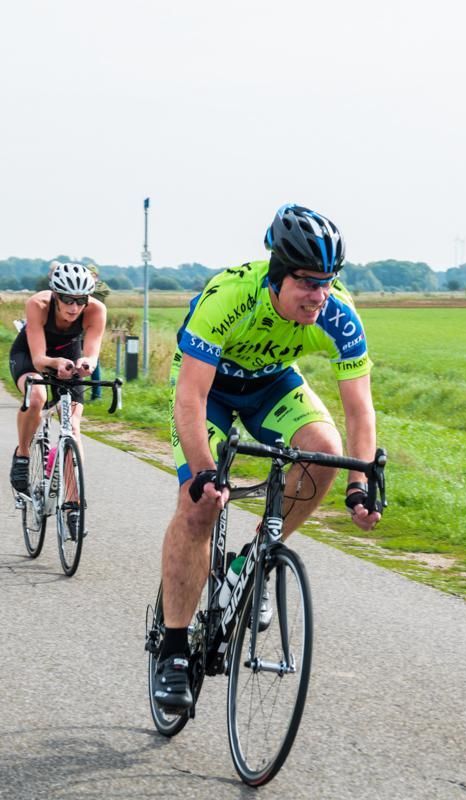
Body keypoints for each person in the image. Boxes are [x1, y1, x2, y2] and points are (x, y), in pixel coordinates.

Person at [154, 203, 382, 712]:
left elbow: (359, 409)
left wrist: (360, 485)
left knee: (326, 453)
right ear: (278, 275)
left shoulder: (339, 313)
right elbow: (189, 398)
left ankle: (253, 560)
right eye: (307, 282)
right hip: (209, 390)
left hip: (272, 385)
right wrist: (205, 473)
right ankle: (172, 647)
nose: (319, 295)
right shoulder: (229, 297)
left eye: (328, 281)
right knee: (199, 507)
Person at [8, 262, 107, 496]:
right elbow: (40, 358)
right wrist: (55, 363)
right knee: (36, 397)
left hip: (69, 353)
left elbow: (92, 354)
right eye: (67, 300)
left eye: (81, 300)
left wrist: (86, 364)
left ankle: (73, 502)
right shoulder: (38, 304)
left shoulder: (96, 310)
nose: (74, 307)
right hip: (31, 354)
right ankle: (22, 455)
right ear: (55, 295)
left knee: (72, 426)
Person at [86, 265, 110, 400]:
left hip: (92, 329)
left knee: (93, 362)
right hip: (80, 329)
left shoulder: (99, 290)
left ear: (96, 276)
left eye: (91, 275)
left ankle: (96, 394)